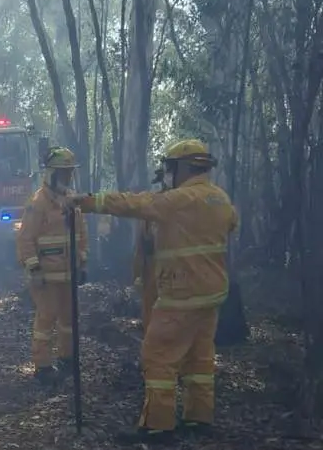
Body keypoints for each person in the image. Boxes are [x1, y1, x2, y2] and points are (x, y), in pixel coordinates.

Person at [66, 139, 237, 444]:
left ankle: (157, 425)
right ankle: (199, 417)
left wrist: (87, 201)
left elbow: (135, 204)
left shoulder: (179, 200)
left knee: (158, 357)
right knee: (200, 357)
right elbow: (230, 226)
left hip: (181, 295)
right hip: (211, 295)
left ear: (183, 168)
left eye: (170, 168)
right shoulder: (221, 199)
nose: (167, 174)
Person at [16, 146, 88, 386]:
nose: (67, 178)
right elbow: (25, 239)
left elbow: (81, 235)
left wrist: (82, 262)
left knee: (68, 319)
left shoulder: (72, 201)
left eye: (69, 173)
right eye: (62, 173)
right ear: (51, 174)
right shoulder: (37, 203)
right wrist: (34, 269)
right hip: (46, 277)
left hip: (68, 275)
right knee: (46, 319)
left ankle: (67, 358)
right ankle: (43, 366)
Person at [132, 167, 165, 334]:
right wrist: (137, 273)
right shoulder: (148, 209)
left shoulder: (181, 205)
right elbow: (141, 246)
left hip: (173, 269)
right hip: (150, 266)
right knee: (149, 305)